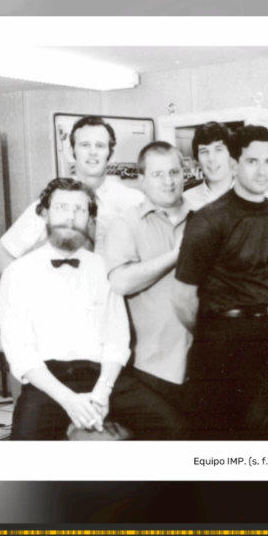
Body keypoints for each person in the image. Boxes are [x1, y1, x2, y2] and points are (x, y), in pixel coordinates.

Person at [0, 177, 183, 440]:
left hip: (104, 379)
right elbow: (21, 353)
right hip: (47, 384)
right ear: (45, 213)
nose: (70, 217)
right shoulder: (17, 273)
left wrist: (102, 391)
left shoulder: (103, 268)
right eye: (61, 207)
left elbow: (117, 339)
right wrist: (70, 400)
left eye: (79, 209)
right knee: (25, 451)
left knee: (175, 429)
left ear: (90, 219)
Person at [172, 125, 268, 440]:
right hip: (223, 346)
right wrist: (216, 329)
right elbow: (182, 299)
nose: (262, 171)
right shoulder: (207, 220)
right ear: (234, 164)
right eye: (252, 161)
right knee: (224, 446)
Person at [103, 141, 193, 434]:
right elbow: (120, 282)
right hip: (151, 369)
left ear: (185, 174)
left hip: (205, 364)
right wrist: (176, 256)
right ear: (141, 180)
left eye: (174, 172)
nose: (168, 181)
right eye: (157, 174)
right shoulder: (126, 224)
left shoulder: (207, 218)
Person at [0, 116, 145, 272]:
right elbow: (0, 254)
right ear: (72, 152)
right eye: (85, 145)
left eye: (100, 146)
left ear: (111, 154)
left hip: (115, 293)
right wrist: (34, 291)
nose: (92, 152)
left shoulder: (134, 201)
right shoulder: (52, 202)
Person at [183, 121, 236, 211]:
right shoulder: (185, 202)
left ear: (231, 155)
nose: (211, 158)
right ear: (197, 160)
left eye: (218, 149)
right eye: (204, 151)